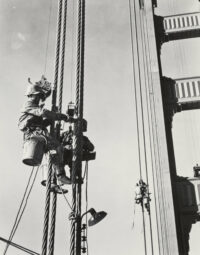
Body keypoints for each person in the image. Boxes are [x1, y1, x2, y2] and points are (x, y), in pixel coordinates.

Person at [19, 75, 72, 185]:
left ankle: (54, 178)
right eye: (37, 96)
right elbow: (44, 113)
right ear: (31, 95)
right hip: (34, 133)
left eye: (40, 96)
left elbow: (42, 121)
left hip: (37, 132)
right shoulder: (29, 104)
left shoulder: (34, 107)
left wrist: (52, 119)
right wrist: (62, 117)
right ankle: (60, 175)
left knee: (52, 152)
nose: (38, 98)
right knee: (57, 146)